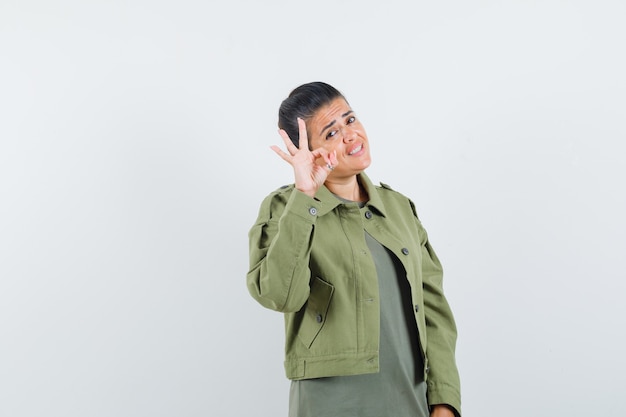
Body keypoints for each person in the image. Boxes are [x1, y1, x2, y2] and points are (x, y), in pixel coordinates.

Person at [247, 81, 461, 417]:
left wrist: (444, 401)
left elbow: (434, 311)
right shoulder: (284, 208)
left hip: (410, 400)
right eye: (330, 134)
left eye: (349, 120)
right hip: (331, 405)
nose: (350, 135)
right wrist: (304, 197)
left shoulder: (399, 209)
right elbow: (280, 296)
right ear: (309, 152)